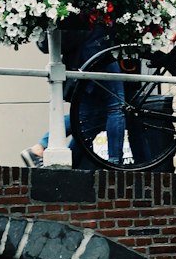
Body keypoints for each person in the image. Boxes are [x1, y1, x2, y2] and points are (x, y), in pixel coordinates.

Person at [22, 25, 125, 168]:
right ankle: (115, 163)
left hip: (84, 54)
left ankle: (53, 155)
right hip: (98, 48)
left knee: (86, 119)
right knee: (116, 105)